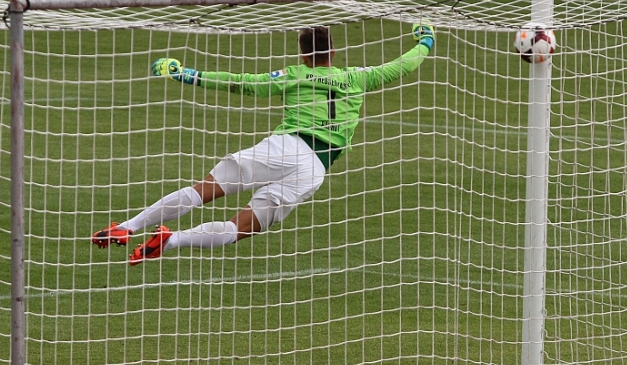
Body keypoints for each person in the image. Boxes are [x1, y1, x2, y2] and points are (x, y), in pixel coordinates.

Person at [92, 23, 435, 266]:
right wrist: (426, 40)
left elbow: (242, 83)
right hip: (315, 169)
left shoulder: (295, 75)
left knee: (204, 190)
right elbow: (403, 65)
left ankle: (127, 227)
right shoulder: (359, 77)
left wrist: (186, 74)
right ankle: (172, 241)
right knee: (240, 229)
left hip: (285, 147)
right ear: (333, 52)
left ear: (304, 57)